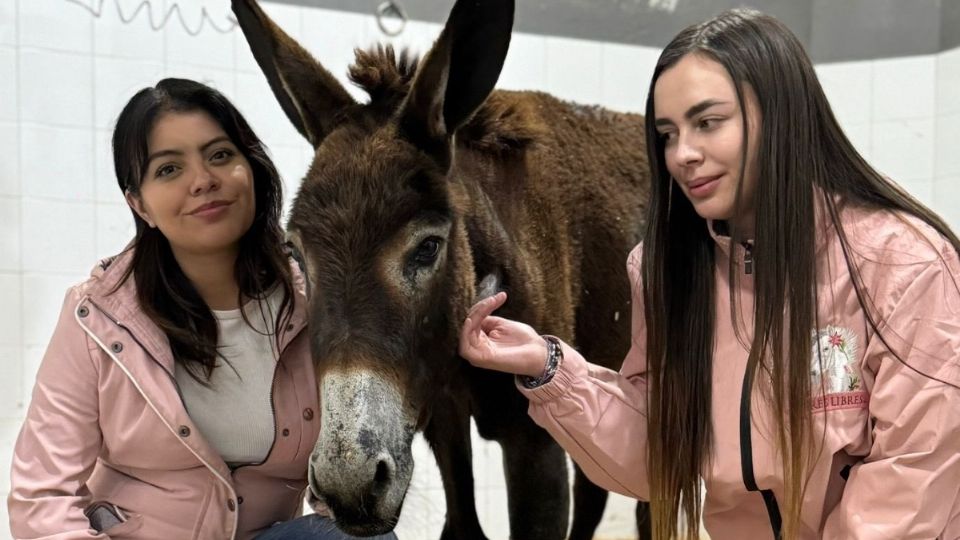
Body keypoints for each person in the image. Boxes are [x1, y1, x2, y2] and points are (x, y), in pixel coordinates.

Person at [459, 8, 960, 540]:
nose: (683, 155)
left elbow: (916, 473)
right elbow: (657, 453)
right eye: (668, 134)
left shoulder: (904, 266)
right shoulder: (668, 268)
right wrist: (550, 369)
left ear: (782, 115)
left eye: (707, 122)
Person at [8, 78, 396, 540]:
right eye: (169, 170)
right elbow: (42, 498)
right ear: (140, 204)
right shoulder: (99, 316)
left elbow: (346, 457)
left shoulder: (314, 302)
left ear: (251, 168)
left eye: (219, 155)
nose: (203, 181)